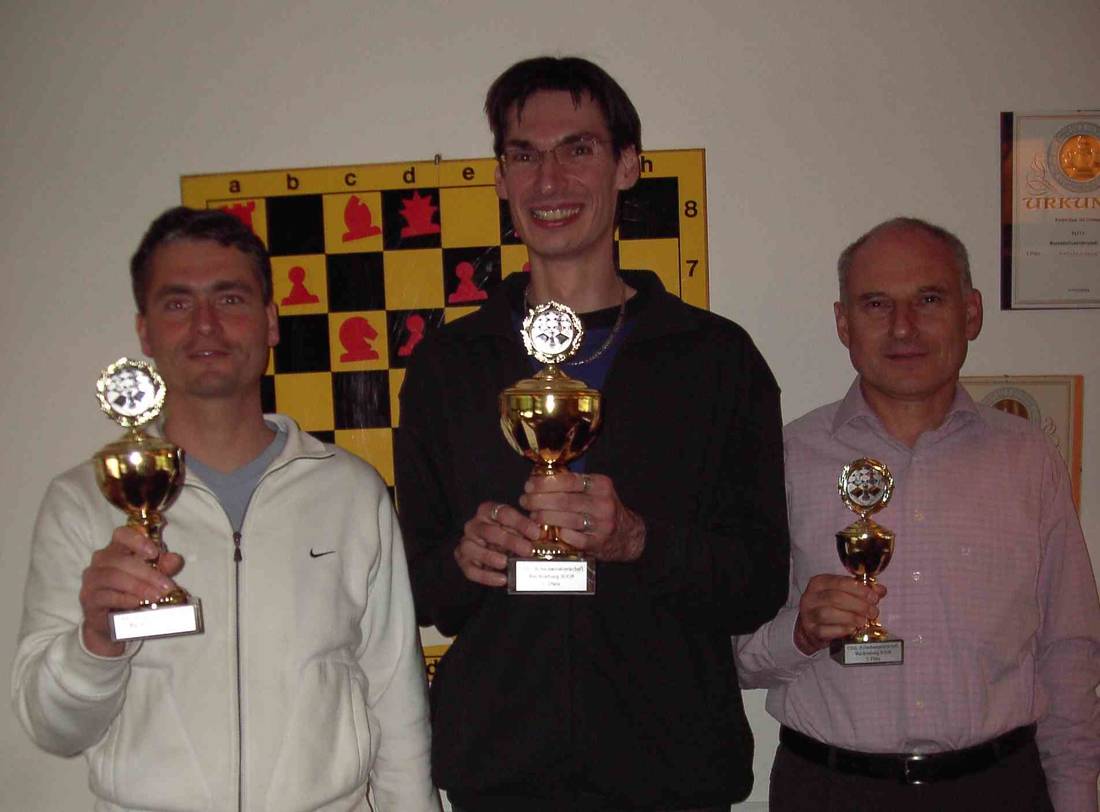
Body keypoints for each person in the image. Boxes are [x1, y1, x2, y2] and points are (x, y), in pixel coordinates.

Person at [394, 56, 789, 812]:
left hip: (674, 776)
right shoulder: (448, 365)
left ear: (627, 165)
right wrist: (466, 561)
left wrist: (640, 541)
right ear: (500, 178)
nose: (549, 181)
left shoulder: (716, 358)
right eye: (524, 155)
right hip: (499, 776)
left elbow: (759, 583)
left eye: (578, 149)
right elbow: (416, 589)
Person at [12, 207, 440, 812]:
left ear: (270, 321)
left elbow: (397, 705)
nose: (206, 325)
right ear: (144, 332)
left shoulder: (350, 492)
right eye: (178, 303)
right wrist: (96, 641)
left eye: (230, 298)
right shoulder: (83, 501)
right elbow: (52, 729)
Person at [734, 217, 1100, 811]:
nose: (903, 327)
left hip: (1001, 790)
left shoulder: (1028, 459)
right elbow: (731, 657)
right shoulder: (783, 460)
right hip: (831, 792)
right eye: (876, 304)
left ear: (970, 313)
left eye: (929, 299)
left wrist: (1077, 796)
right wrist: (798, 634)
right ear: (843, 323)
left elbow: (1069, 651)